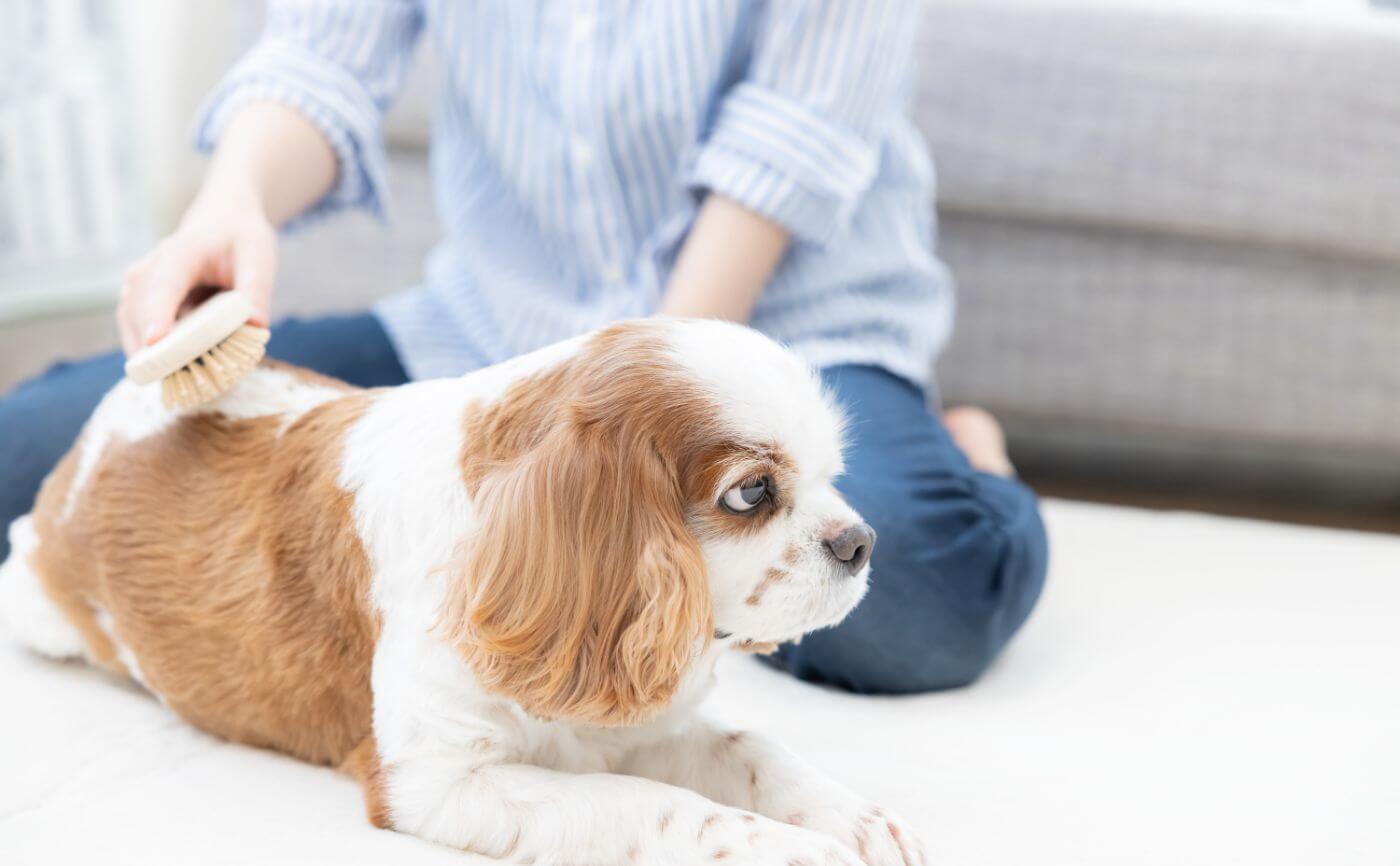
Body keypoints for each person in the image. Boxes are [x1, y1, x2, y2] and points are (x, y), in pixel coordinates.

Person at [0, 1, 1046, 693]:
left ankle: (973, 457)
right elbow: (321, 56)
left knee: (922, 602)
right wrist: (230, 205)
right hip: (485, 334)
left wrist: (631, 395)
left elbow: (788, 146)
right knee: (27, 449)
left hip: (784, 334)